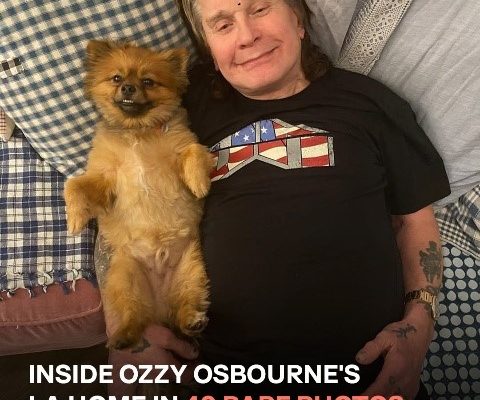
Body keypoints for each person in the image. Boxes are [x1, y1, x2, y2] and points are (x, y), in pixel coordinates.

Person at [106, 0, 450, 397]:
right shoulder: (182, 111)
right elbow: (124, 213)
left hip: (367, 378)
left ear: (299, 21)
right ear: (210, 51)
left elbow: (414, 220)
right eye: (223, 25)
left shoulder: (370, 104)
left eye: (260, 9)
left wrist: (419, 325)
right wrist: (125, 331)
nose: (247, 36)